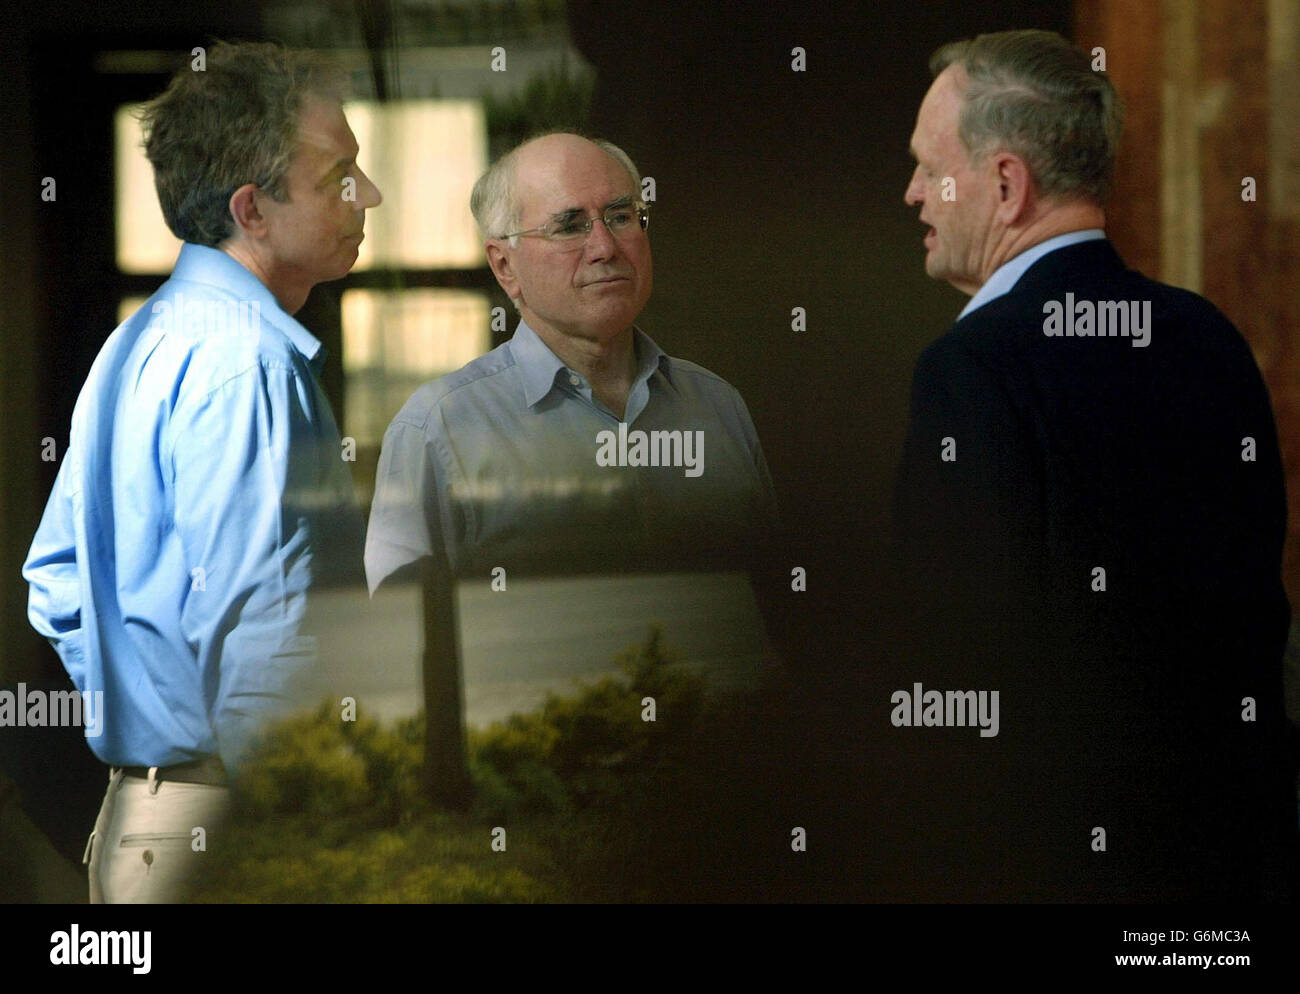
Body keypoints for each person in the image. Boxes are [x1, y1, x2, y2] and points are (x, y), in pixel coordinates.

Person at [891, 29, 1296, 900]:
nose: (913, 192)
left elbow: (961, 669)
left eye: (930, 166)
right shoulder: (1212, 339)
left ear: (1005, 185)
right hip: (1228, 871)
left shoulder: (970, 371)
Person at [22, 41, 381, 903]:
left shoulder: (138, 341)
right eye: (339, 175)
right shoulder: (245, 360)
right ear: (252, 209)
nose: (367, 194)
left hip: (146, 825)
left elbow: (53, 582)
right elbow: (262, 630)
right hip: (233, 828)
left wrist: (147, 703)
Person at [364, 133, 779, 802]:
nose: (606, 245)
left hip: (727, 803)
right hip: (535, 804)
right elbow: (396, 671)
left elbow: (776, 611)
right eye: (569, 225)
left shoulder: (718, 408)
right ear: (505, 266)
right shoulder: (439, 430)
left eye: (621, 215)